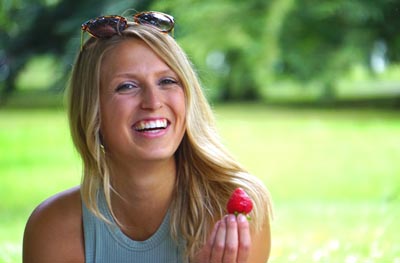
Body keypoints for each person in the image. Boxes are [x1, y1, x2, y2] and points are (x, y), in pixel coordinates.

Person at [23, 11, 272, 263]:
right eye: (127, 86)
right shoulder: (54, 228)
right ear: (92, 111)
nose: (153, 102)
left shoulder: (231, 213)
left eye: (167, 81)